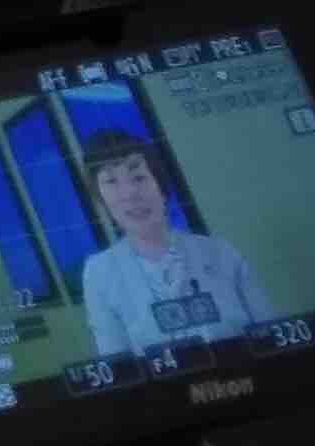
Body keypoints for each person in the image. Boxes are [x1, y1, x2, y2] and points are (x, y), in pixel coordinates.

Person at [75, 132, 271, 361]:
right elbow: (117, 364)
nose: (130, 193)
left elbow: (269, 336)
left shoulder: (221, 252)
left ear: (161, 186)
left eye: (138, 177)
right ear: (101, 199)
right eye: (111, 182)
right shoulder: (99, 272)